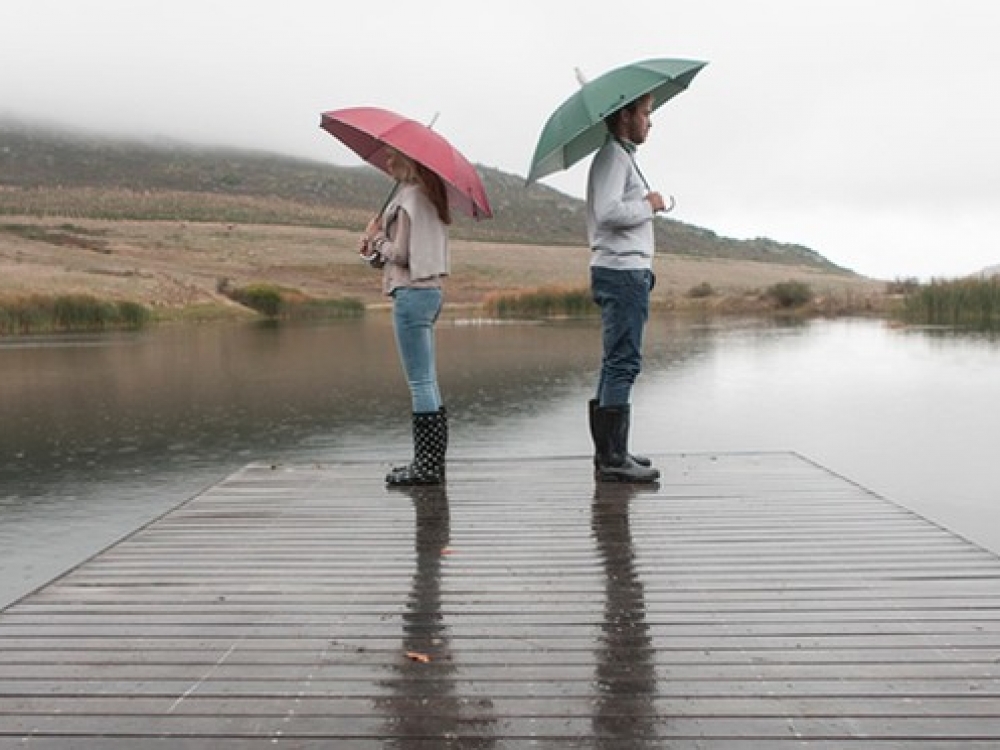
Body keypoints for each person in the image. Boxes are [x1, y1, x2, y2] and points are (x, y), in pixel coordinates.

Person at [360, 149, 450, 486]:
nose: (387, 163)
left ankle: (426, 466)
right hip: (431, 292)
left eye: (393, 157)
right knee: (428, 379)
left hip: (411, 294)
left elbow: (399, 254)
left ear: (410, 161)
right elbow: (397, 255)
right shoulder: (431, 197)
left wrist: (377, 237)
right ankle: (432, 463)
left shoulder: (409, 198)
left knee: (420, 381)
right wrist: (372, 249)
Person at [586, 93, 663, 483]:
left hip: (623, 272)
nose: (650, 121)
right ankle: (613, 459)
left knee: (615, 360)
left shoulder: (620, 156)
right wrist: (649, 205)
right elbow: (609, 212)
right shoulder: (614, 157)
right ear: (625, 115)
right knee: (624, 362)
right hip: (621, 273)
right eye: (646, 113)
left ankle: (611, 454)